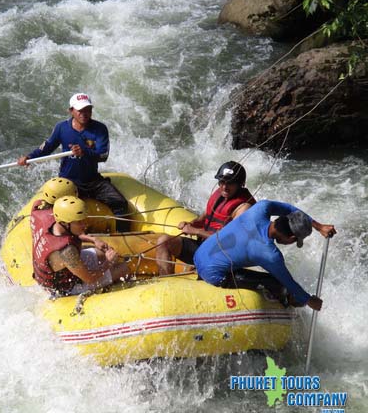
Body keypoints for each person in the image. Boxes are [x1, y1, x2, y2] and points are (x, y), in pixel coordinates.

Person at [193, 200, 336, 310]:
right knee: (278, 284)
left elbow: (289, 209)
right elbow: (289, 283)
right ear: (291, 238)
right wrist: (309, 300)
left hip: (198, 255)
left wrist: (319, 226)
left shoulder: (261, 208)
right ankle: (285, 306)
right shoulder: (270, 255)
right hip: (213, 275)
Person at [18, 93, 129, 232]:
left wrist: (84, 152)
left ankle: (123, 236)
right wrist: (29, 157)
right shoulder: (61, 128)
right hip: (68, 182)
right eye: (80, 110)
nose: (85, 113)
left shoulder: (100, 129)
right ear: (71, 111)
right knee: (58, 211)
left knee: (120, 203)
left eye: (88, 109)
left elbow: (103, 155)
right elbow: (47, 147)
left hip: (93, 181)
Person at [156, 161, 256, 275]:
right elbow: (204, 218)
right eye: (221, 182)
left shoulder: (244, 208)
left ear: (240, 184)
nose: (224, 187)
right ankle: (165, 281)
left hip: (222, 256)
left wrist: (195, 231)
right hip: (205, 248)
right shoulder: (221, 194)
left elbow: (227, 240)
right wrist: (191, 224)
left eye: (230, 183)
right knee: (163, 241)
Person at [30, 195, 129, 296]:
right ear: (64, 223)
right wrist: (108, 263)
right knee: (123, 268)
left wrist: (93, 239)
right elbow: (90, 278)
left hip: (66, 266)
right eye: (79, 222)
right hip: (65, 288)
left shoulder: (49, 218)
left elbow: (68, 234)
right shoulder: (66, 251)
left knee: (101, 253)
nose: (84, 225)